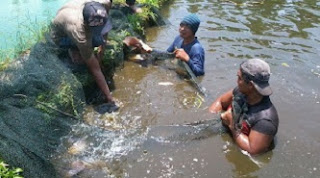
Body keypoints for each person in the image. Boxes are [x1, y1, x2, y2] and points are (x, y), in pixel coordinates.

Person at [209, 58, 279, 155]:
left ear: (250, 85)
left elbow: (252, 150)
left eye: (239, 78)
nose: (237, 81)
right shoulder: (241, 92)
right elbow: (221, 101)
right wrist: (211, 115)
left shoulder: (266, 120)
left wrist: (232, 126)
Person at [51, 0, 115, 104]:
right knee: (81, 61)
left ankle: (81, 48)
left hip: (77, 17)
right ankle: (73, 50)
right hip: (62, 36)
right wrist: (109, 98)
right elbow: (95, 69)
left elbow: (105, 31)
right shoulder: (79, 32)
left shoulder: (103, 4)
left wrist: (101, 53)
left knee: (99, 40)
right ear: (86, 24)